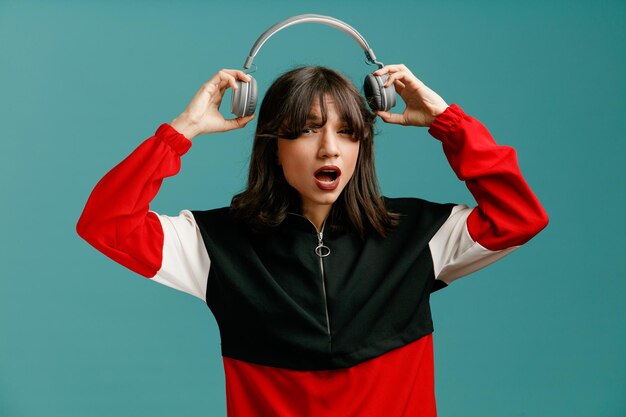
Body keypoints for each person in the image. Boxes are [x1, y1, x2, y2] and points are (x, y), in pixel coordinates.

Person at [76, 64, 549, 416]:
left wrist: (448, 121)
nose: (329, 148)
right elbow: (106, 222)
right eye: (306, 130)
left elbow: (520, 216)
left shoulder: (419, 232)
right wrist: (184, 129)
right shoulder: (213, 244)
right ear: (272, 145)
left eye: (347, 133)